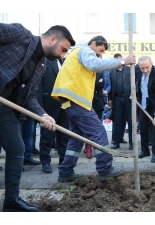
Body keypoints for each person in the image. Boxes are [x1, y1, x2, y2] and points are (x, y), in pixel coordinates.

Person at [0, 23, 75, 212]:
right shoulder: (19, 34)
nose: (62, 55)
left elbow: (30, 96)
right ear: (52, 39)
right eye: (63, 49)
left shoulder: (41, 65)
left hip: (4, 105)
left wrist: (43, 114)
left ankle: (11, 201)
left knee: (17, 148)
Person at [51, 35, 136, 182]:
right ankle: (105, 168)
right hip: (76, 100)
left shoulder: (77, 53)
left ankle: (65, 172)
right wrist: (122, 61)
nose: (100, 54)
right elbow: (94, 64)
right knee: (98, 131)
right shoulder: (84, 51)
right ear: (93, 43)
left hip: (70, 100)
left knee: (77, 138)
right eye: (100, 50)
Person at [37, 58, 70, 173]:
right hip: (48, 104)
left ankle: (63, 161)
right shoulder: (45, 61)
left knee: (64, 135)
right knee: (47, 135)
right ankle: (45, 162)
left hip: (64, 104)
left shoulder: (64, 62)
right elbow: (39, 84)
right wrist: (40, 106)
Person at [136, 56, 155, 163]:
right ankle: (145, 150)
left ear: (151, 64)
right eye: (142, 68)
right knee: (143, 127)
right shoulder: (137, 70)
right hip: (144, 103)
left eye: (147, 68)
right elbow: (137, 85)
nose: (145, 70)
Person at [108, 53, 133, 150]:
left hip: (129, 99)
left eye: (120, 60)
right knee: (117, 121)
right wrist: (110, 99)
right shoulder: (111, 71)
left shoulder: (129, 69)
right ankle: (116, 142)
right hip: (117, 99)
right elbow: (110, 86)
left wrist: (134, 95)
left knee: (131, 121)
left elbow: (134, 82)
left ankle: (132, 142)